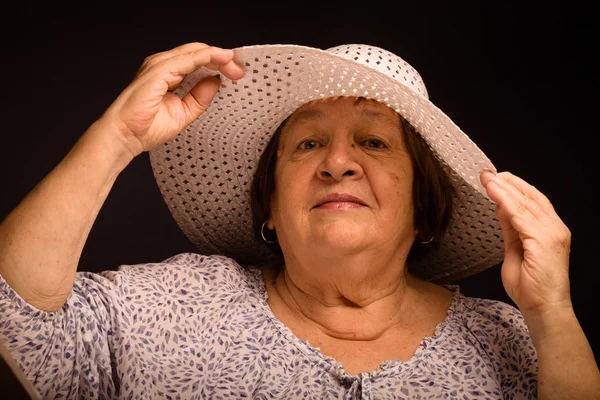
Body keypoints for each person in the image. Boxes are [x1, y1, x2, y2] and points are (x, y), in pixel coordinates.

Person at [0, 41, 598, 400]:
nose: (338, 163)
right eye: (308, 145)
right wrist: (116, 137)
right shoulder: (173, 305)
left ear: (425, 208)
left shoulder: (517, 344)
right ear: (269, 207)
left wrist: (553, 315)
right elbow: (15, 314)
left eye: (373, 142)